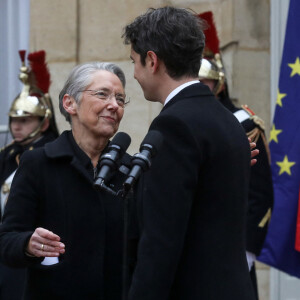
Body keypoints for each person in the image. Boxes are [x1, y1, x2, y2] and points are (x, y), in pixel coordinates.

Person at [122, 6, 256, 300]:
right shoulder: (227, 120)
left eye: (135, 62)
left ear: (152, 60)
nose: (134, 74)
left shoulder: (174, 125)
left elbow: (161, 240)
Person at [0, 61, 132, 299]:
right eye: (103, 94)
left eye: (120, 99)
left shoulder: (131, 169)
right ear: (70, 103)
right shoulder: (38, 164)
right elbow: (7, 240)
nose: (114, 105)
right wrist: (28, 244)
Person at [198, 11, 274, 300]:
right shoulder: (180, 122)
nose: (201, 88)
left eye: (206, 82)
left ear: (219, 82)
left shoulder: (243, 123)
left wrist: (247, 249)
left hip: (233, 247)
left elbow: (259, 195)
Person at [0, 50, 59, 300]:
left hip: (36, 245)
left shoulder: (49, 153)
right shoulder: (8, 153)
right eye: (14, 120)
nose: (16, 126)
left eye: (25, 120)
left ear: (44, 123)